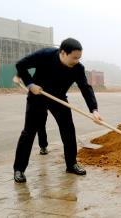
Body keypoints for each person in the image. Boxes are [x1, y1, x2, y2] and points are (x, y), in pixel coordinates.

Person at [13, 38, 102, 183]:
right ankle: (19, 169)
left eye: (79, 58)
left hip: (59, 98)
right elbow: (20, 65)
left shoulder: (78, 68)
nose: (76, 61)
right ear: (63, 53)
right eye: (74, 58)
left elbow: (85, 88)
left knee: (68, 129)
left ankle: (71, 164)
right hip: (38, 95)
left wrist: (94, 109)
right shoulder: (45, 55)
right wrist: (30, 84)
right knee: (29, 132)